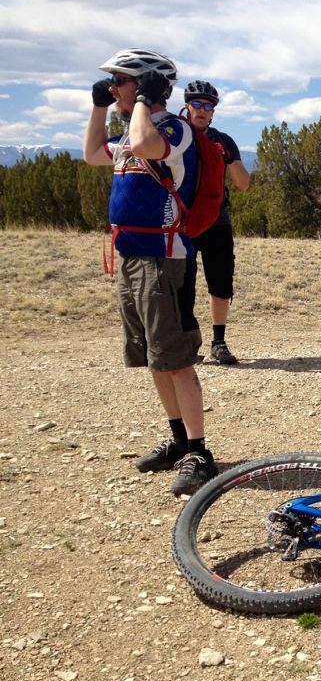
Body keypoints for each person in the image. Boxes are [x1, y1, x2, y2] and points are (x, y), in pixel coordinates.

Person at [82, 49, 218, 496]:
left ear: (145, 85)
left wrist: (141, 100)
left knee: (175, 357)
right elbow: (92, 156)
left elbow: (143, 146)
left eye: (119, 80)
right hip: (131, 256)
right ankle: (179, 439)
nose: (114, 86)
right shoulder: (130, 129)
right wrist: (101, 105)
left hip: (164, 259)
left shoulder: (172, 129)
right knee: (153, 356)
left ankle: (200, 452)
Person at [182, 80, 251, 365]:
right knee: (181, 284)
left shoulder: (223, 140)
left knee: (220, 283)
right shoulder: (174, 135)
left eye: (207, 105)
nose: (201, 110)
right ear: (187, 106)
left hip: (216, 221)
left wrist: (229, 157)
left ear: (213, 112)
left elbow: (243, 183)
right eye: (196, 104)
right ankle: (185, 344)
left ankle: (219, 343)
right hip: (181, 222)